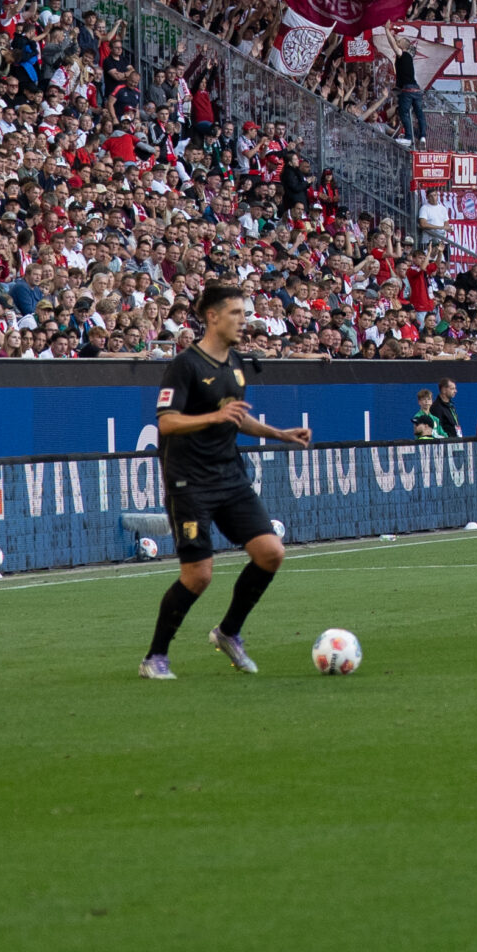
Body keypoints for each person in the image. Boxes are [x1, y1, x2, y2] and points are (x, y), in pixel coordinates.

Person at [140, 283, 311, 679]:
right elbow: (167, 421)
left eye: (245, 313)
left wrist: (279, 433)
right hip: (190, 482)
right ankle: (155, 657)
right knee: (197, 576)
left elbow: (235, 416)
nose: (244, 320)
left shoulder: (234, 362)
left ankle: (229, 632)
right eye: (236, 313)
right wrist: (213, 418)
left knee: (271, 553)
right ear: (212, 316)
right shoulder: (185, 365)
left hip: (230, 476)